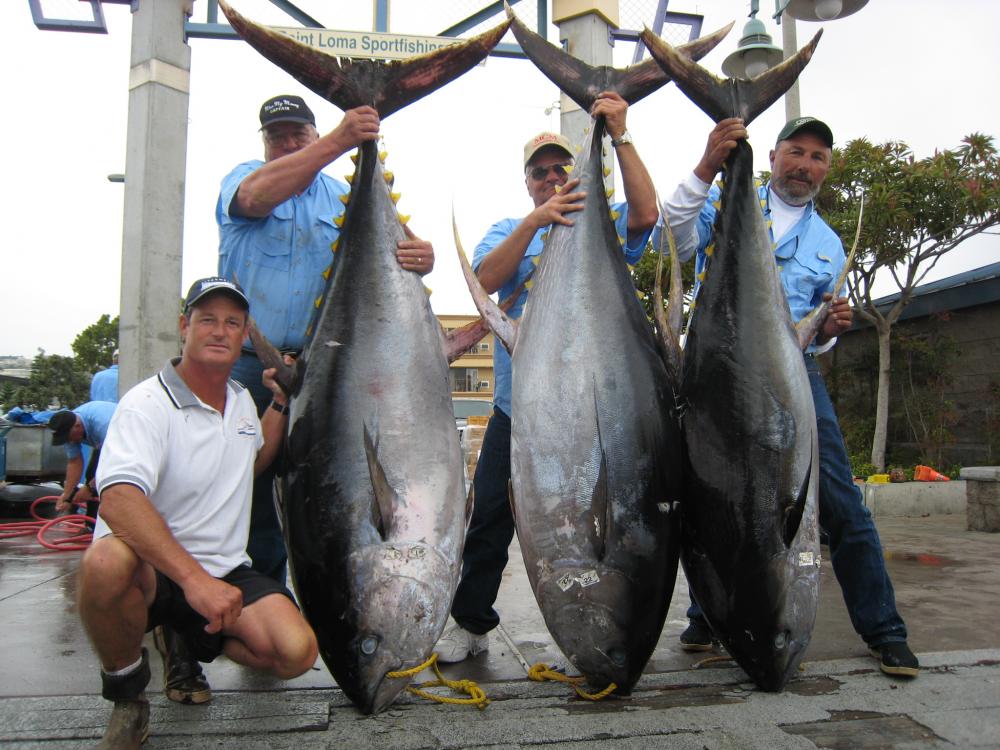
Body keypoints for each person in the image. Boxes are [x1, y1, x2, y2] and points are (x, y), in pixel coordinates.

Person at [662, 116, 919, 679]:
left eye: (818, 158)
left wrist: (831, 330)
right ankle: (710, 614)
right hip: (717, 377)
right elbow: (673, 238)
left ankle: (884, 630)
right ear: (773, 155)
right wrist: (709, 163)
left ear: (827, 167)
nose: (805, 166)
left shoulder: (827, 242)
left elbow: (820, 338)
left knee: (838, 501)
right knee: (708, 495)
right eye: (796, 153)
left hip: (791, 377)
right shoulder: (730, 200)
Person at [434, 92, 659, 663]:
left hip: (597, 417)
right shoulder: (511, 228)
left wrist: (620, 134)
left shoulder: (604, 230)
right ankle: (472, 621)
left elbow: (647, 216)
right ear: (528, 183)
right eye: (542, 173)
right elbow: (484, 280)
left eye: (563, 167)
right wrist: (537, 221)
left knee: (615, 514)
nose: (554, 178)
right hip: (521, 410)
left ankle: (613, 612)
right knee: (489, 517)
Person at [77, 277, 318, 748]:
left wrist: (282, 400)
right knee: (104, 564)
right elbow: (119, 500)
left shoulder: (242, 401)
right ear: (185, 326)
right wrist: (195, 582)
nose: (219, 331)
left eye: (232, 322)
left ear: (244, 334)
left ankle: (189, 636)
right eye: (207, 319)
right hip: (151, 571)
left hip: (223, 570)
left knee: (296, 653)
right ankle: (128, 695)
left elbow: (253, 461)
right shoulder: (146, 403)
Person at [215, 94, 436, 585]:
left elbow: (403, 250)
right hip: (249, 363)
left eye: (300, 134)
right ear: (265, 143)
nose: (289, 143)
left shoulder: (342, 195)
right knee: (239, 482)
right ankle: (259, 591)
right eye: (278, 136)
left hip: (327, 366)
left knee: (322, 482)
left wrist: (424, 255)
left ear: (313, 134)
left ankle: (315, 588)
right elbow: (252, 200)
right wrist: (344, 139)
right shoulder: (245, 178)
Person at [48, 400, 116, 517]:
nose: (69, 442)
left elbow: (114, 462)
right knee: (91, 474)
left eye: (69, 438)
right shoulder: (69, 428)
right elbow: (74, 462)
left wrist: (89, 488)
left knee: (105, 482)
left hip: (132, 440)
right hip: (104, 444)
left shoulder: (104, 424)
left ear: (78, 427)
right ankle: (91, 525)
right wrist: (67, 495)